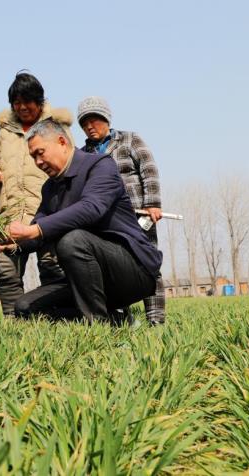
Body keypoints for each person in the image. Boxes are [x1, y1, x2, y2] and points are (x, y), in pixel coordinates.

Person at [0, 119, 162, 324]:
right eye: (33, 157)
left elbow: (91, 208)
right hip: (86, 277)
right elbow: (37, 234)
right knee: (25, 308)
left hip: (132, 271)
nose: (38, 162)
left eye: (40, 153)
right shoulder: (50, 188)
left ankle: (96, 326)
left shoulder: (99, 165)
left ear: (62, 142)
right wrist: (10, 243)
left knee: (72, 240)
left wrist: (34, 231)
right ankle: (116, 320)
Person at [0, 72, 68, 315]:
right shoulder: (6, 131)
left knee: (51, 267)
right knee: (6, 270)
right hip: (10, 212)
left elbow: (67, 162)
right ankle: (13, 323)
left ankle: (54, 317)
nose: (21, 107)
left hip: (46, 211)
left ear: (39, 101)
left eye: (26, 102)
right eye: (16, 103)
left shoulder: (54, 127)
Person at [77, 96, 166, 325]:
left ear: (106, 119)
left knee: (149, 265)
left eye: (95, 120)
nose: (90, 126)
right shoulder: (83, 154)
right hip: (105, 222)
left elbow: (148, 170)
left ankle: (156, 320)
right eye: (85, 123)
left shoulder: (129, 141)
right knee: (113, 271)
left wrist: (152, 203)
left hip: (139, 216)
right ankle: (122, 319)